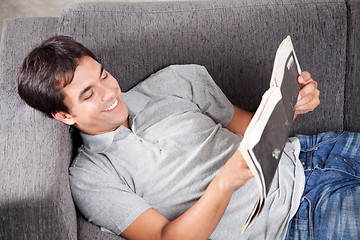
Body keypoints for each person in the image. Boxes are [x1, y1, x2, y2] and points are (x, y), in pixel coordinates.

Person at [17, 36, 359, 240]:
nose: (109, 93)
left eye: (104, 75)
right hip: (298, 219)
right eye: (88, 94)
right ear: (64, 115)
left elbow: (252, 127)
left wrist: (292, 106)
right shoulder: (91, 177)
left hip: (314, 154)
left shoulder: (173, 82)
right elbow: (168, 239)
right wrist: (226, 181)